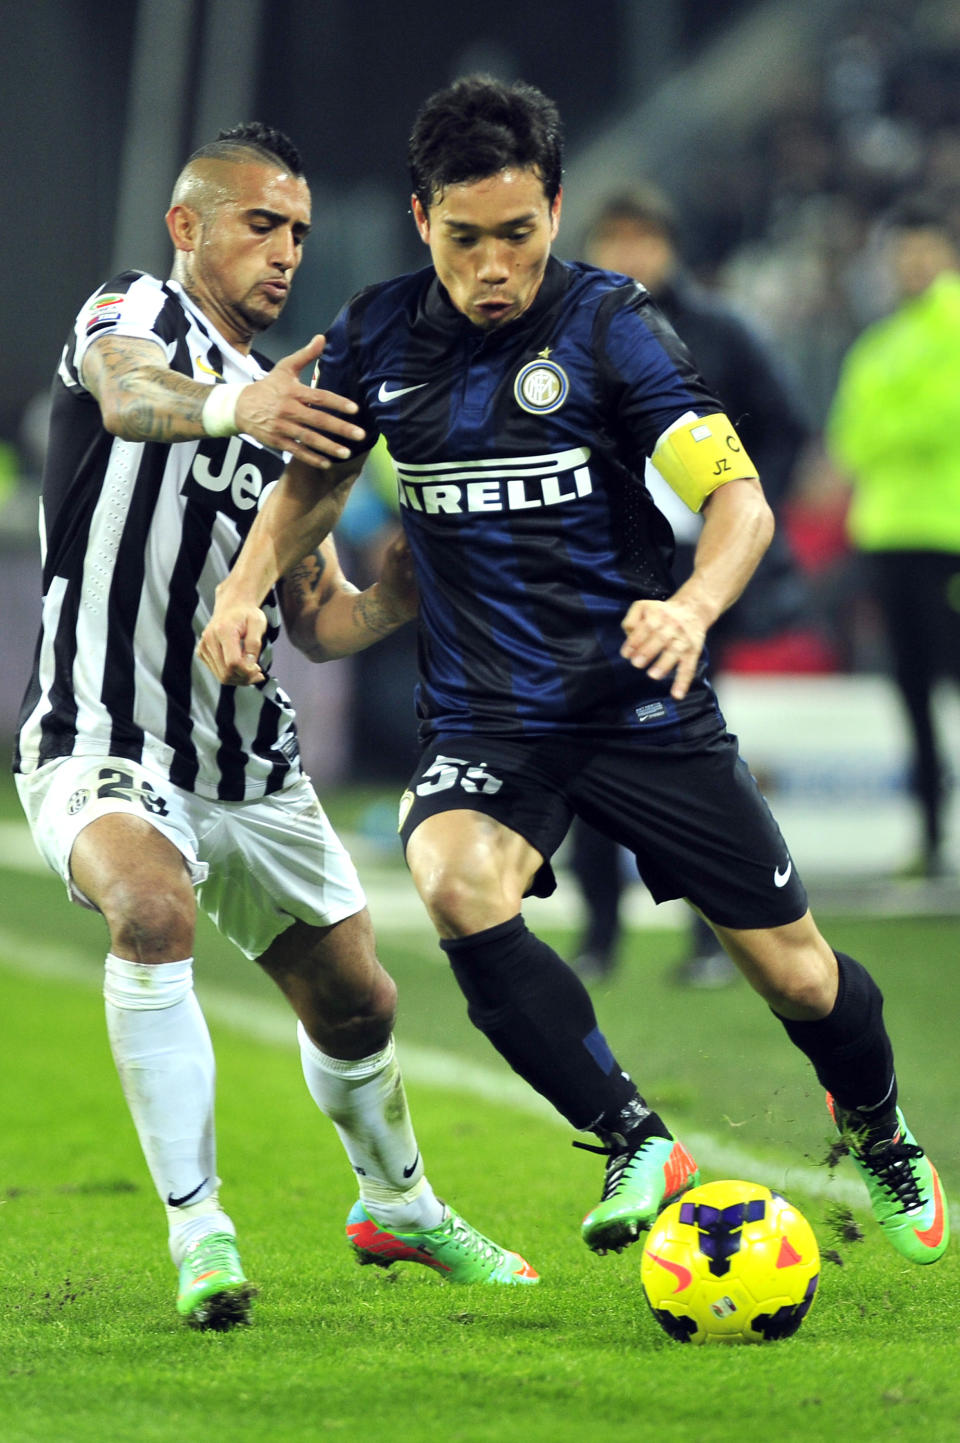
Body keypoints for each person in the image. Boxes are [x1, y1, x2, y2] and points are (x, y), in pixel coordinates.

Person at [199, 82, 949, 1270]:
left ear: (555, 209)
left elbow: (741, 499)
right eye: (463, 239)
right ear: (418, 218)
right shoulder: (378, 334)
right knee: (450, 876)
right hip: (491, 715)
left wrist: (695, 603)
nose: (492, 267)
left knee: (801, 981)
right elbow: (311, 487)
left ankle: (876, 1123)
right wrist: (243, 593)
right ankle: (635, 1138)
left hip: (637, 700)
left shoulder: (613, 327)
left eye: (518, 235)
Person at [12, 122, 539, 1333]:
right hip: (101, 736)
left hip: (247, 762)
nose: (286, 250)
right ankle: (201, 1233)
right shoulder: (130, 311)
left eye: (299, 230)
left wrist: (393, 594)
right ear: (188, 226)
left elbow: (316, 622)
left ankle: (396, 1203)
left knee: (359, 1008)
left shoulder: (298, 405)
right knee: (151, 911)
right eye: (261, 223)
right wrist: (242, 402)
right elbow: (133, 397)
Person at [568, 184, 814, 988]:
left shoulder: (721, 330)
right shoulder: (570, 331)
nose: (631, 253)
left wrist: (744, 507)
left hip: (698, 566)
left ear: (671, 245)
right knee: (597, 738)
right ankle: (600, 929)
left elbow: (785, 427)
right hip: (608, 563)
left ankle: (719, 934)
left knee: (694, 743)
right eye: (617, 238)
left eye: (644, 237)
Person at [827, 192, 960, 880]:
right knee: (911, 691)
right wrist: (904, 421)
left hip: (949, 529)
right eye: (902, 251)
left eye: (922, 248)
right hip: (890, 535)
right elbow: (852, 439)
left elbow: (939, 416)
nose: (912, 262)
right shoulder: (879, 344)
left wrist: (895, 422)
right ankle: (933, 836)